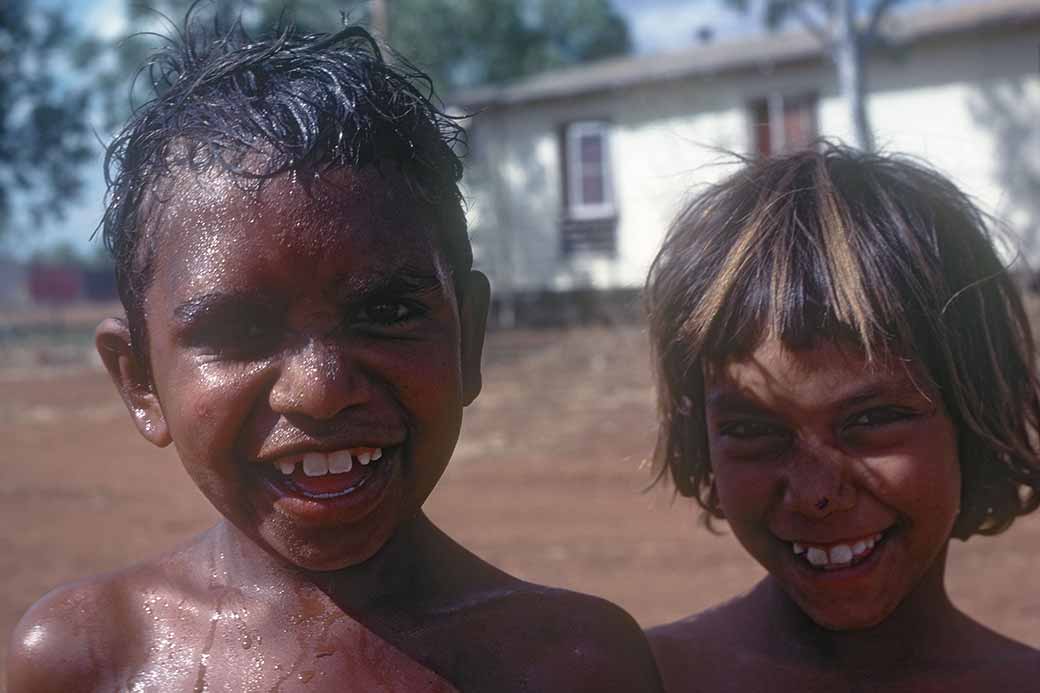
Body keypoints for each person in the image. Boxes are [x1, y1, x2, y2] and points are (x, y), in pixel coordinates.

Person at [7, 17, 663, 693]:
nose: (320, 390)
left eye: (386, 314)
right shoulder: (87, 662)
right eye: (238, 331)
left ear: (468, 337)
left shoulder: (576, 666)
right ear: (140, 380)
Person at [643, 144, 1040, 691]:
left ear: (975, 417)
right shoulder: (646, 678)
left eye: (873, 419)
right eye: (752, 430)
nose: (814, 494)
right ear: (701, 438)